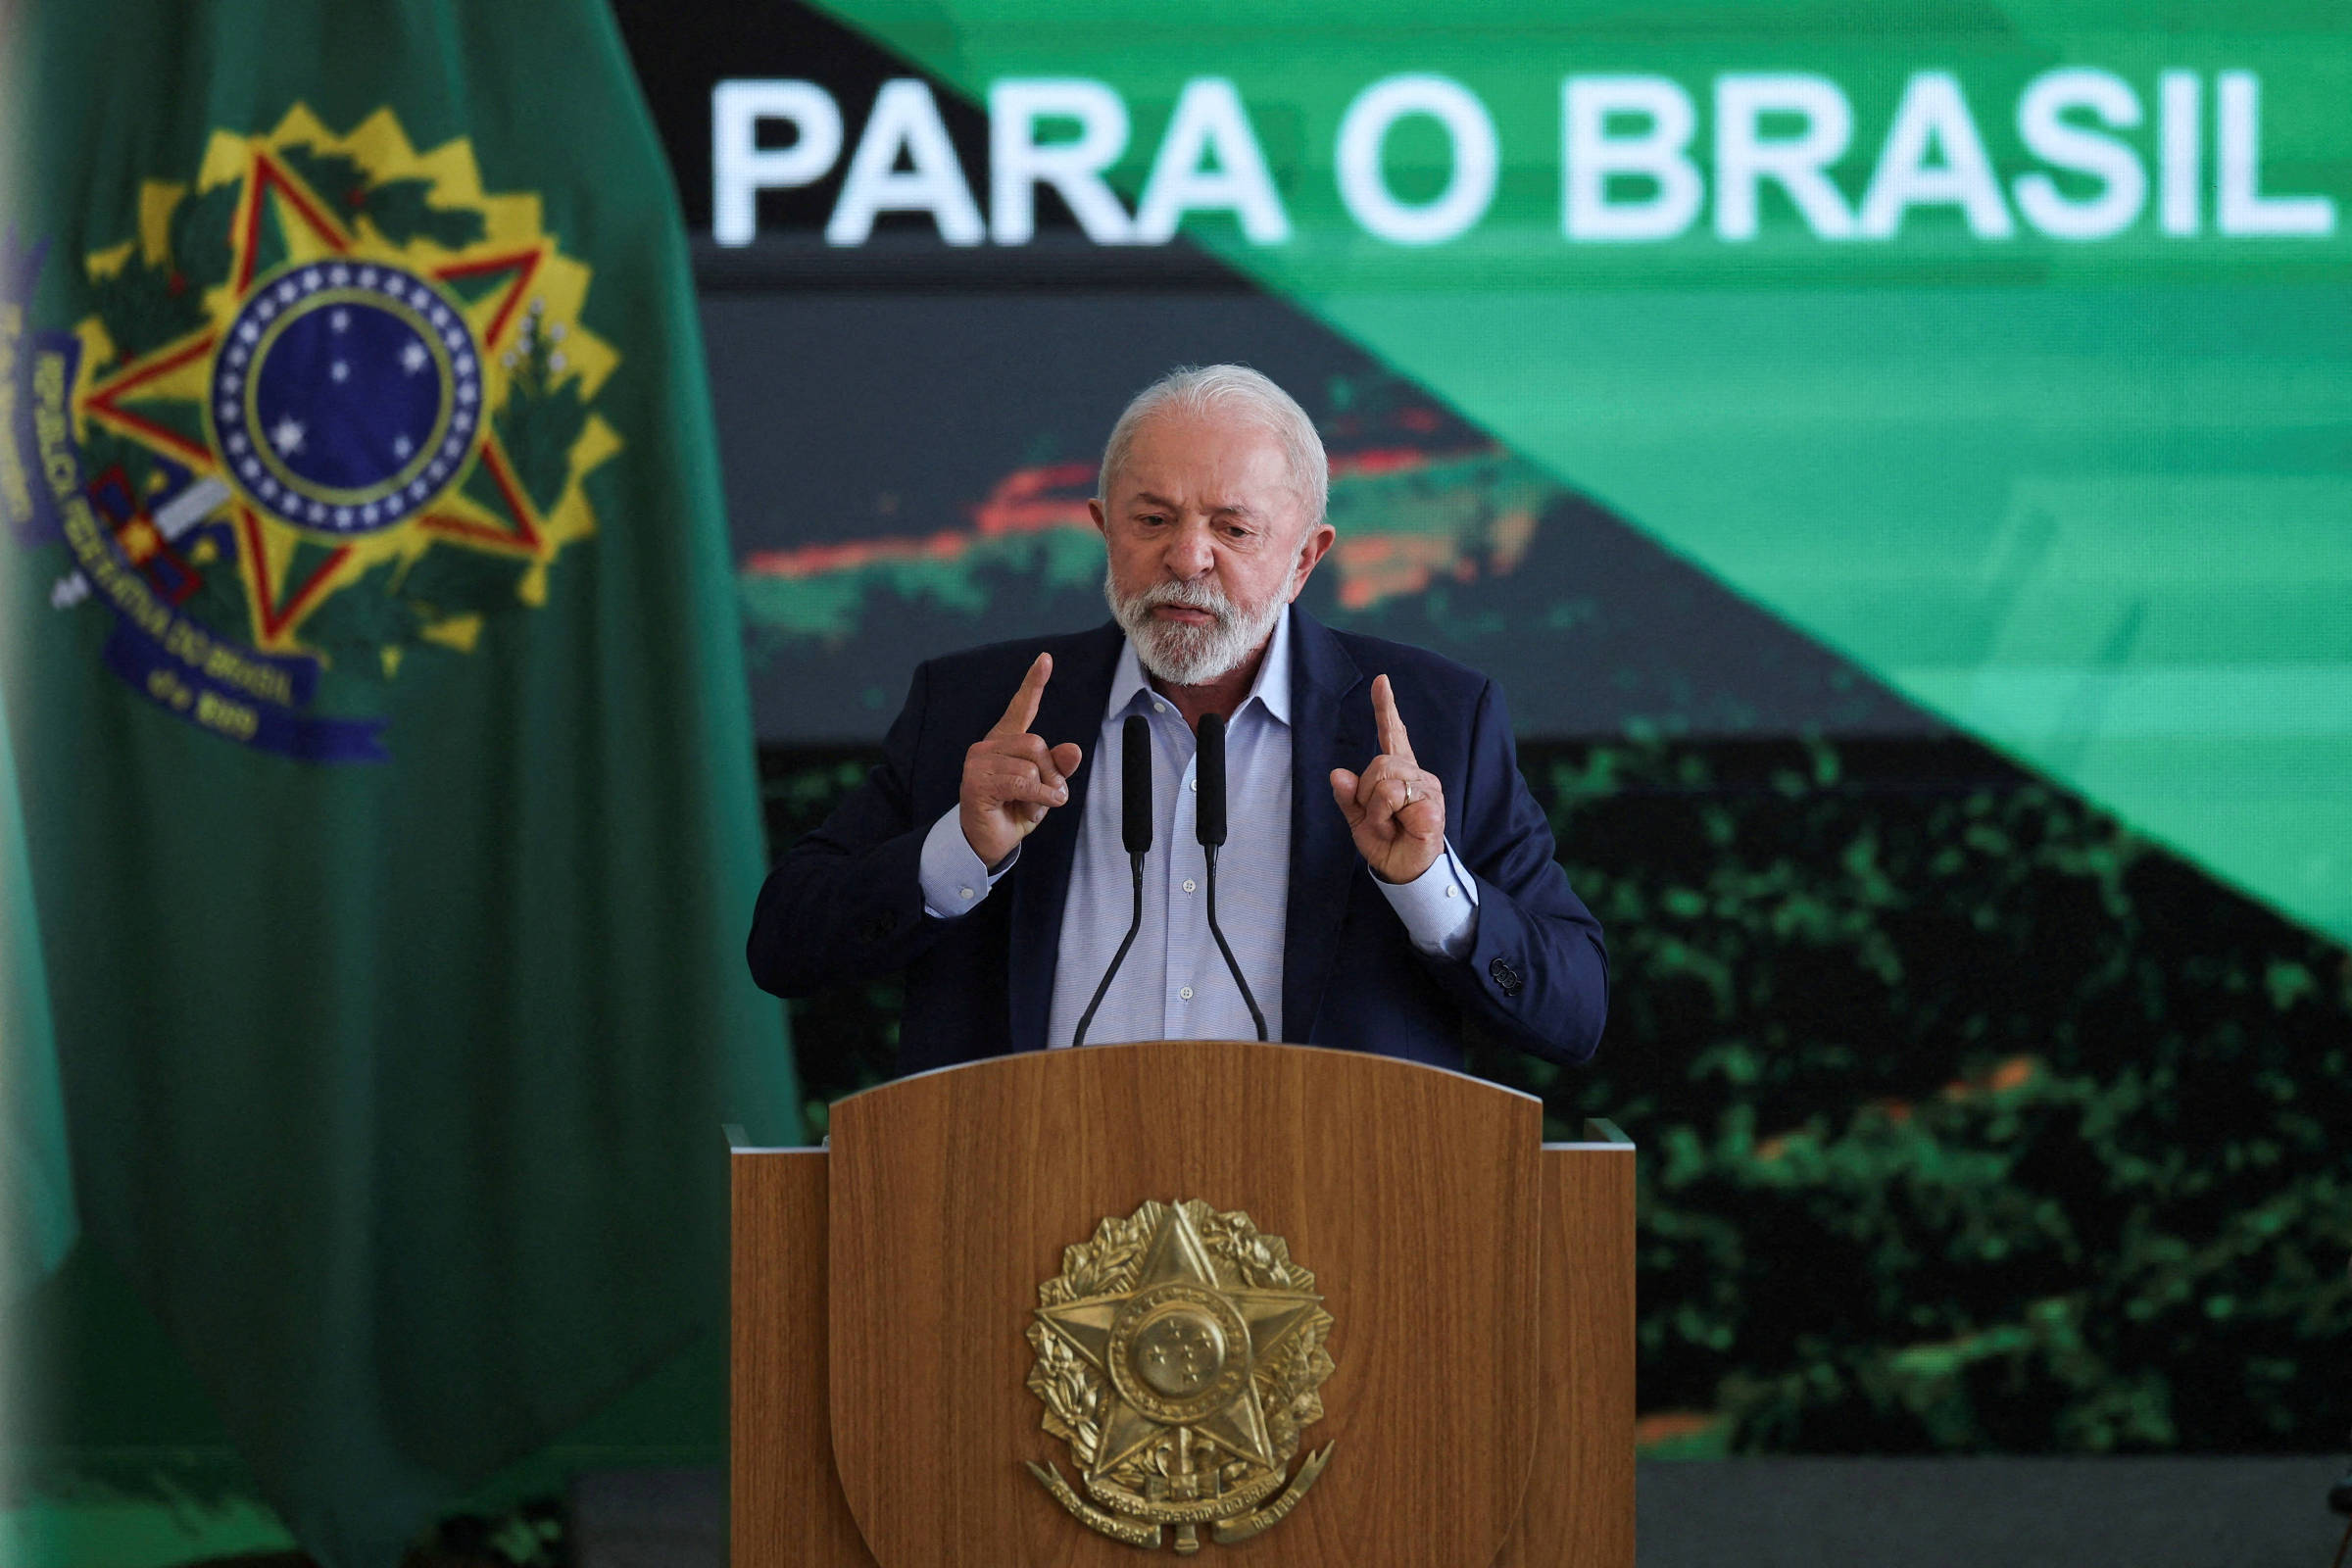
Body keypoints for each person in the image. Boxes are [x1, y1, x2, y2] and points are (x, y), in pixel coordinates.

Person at [748, 365, 1606, 1075]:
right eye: (1152, 520)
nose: (1187, 556)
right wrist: (960, 850)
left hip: (1325, 1211)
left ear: (1306, 558)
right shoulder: (976, 712)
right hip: (1025, 1200)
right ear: (1104, 529)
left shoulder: (1438, 721)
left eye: (1234, 529)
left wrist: (1427, 885)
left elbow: (1574, 1013)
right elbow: (784, 945)